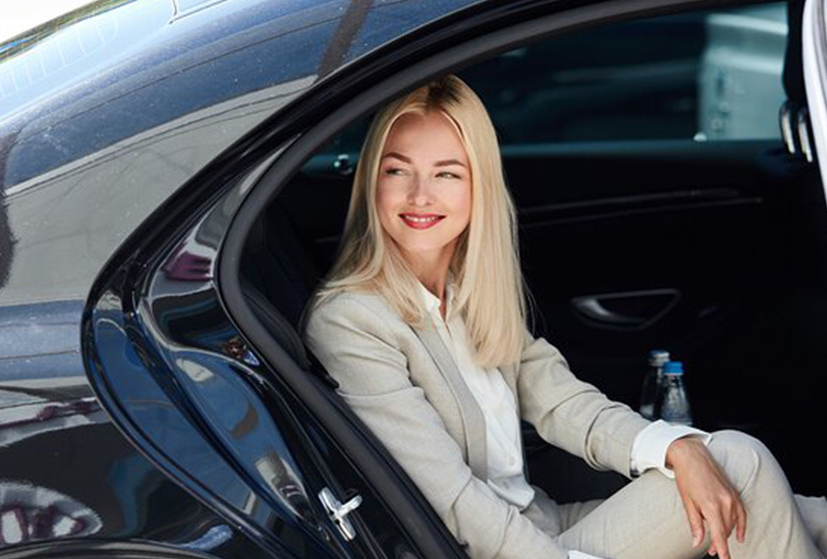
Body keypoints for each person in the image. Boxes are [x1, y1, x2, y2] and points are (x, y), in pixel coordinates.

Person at [299, 74, 827, 559]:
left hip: (541, 523)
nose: (420, 195)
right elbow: (450, 497)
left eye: (446, 173)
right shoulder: (353, 320)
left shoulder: (468, 293)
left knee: (731, 474)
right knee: (741, 463)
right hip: (496, 551)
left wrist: (676, 448)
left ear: (477, 184)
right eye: (398, 171)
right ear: (372, 181)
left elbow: (565, 404)